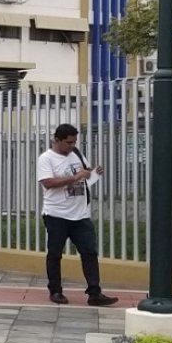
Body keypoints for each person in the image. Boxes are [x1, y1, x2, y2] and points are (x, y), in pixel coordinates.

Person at [37, 124, 117, 306]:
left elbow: (85, 176)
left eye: (74, 142)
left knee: (89, 252)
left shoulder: (77, 154)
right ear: (57, 140)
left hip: (80, 215)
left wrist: (94, 174)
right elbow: (48, 183)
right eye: (68, 142)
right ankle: (55, 290)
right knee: (55, 253)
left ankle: (94, 293)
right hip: (56, 214)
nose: (72, 146)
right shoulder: (46, 159)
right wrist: (75, 177)